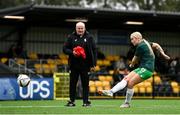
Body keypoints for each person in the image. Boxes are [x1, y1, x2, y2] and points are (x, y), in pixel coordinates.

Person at [99, 31, 170, 108]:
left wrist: (132, 64)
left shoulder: (140, 46)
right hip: (142, 67)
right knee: (126, 78)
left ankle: (127, 103)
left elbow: (135, 58)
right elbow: (156, 45)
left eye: (132, 39)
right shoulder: (145, 42)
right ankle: (111, 92)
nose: (131, 41)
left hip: (147, 69)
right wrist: (163, 54)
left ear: (137, 38)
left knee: (130, 83)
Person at [63, 22, 97, 107]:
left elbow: (94, 51)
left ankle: (86, 102)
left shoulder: (89, 37)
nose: (80, 30)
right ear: (76, 28)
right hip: (73, 65)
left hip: (85, 66)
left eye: (82, 28)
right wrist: (72, 52)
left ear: (84, 28)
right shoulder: (71, 37)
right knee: (72, 83)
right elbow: (64, 49)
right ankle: (71, 101)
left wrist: (93, 64)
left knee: (85, 84)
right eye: (79, 28)